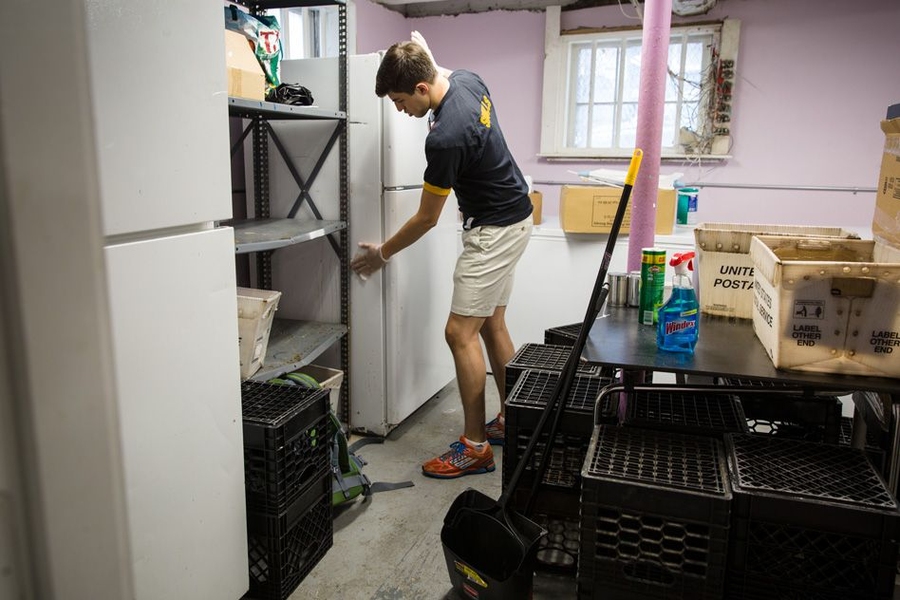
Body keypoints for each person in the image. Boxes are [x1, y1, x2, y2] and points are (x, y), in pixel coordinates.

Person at [350, 32, 533, 479]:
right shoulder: (467, 80)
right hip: (517, 215)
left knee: (458, 333)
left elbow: (427, 218)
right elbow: (440, 69)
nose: (399, 110)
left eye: (398, 101)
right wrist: (425, 51)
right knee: (490, 323)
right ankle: (513, 421)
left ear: (421, 89)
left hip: (492, 231)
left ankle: (475, 448)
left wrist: (383, 253)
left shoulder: (445, 138)